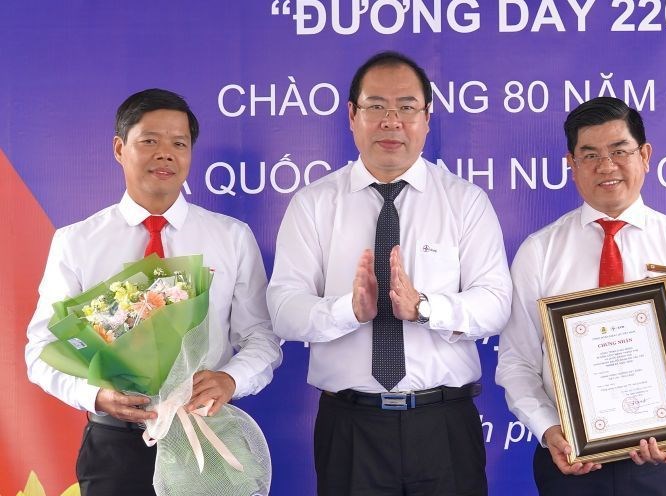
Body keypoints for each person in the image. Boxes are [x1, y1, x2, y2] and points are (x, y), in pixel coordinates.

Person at [267, 51, 512, 496]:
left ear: (427, 118)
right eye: (376, 106)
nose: (391, 121)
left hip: (443, 424)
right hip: (351, 427)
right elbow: (284, 309)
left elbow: (495, 304)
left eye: (406, 107)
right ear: (352, 115)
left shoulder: (465, 201)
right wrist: (349, 310)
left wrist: (425, 308)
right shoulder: (315, 203)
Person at [25, 88, 283, 496]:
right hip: (113, 447)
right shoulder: (77, 241)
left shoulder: (231, 237)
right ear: (119, 148)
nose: (166, 153)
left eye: (179, 143)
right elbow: (40, 350)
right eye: (149, 141)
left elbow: (263, 338)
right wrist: (95, 395)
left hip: (204, 436)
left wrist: (230, 379)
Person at [496, 96, 666, 495]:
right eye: (590, 155)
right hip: (570, 464)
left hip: (664, 464)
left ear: (645, 155)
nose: (606, 166)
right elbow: (517, 362)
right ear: (571, 165)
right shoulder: (540, 251)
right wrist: (549, 429)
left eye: (619, 151)